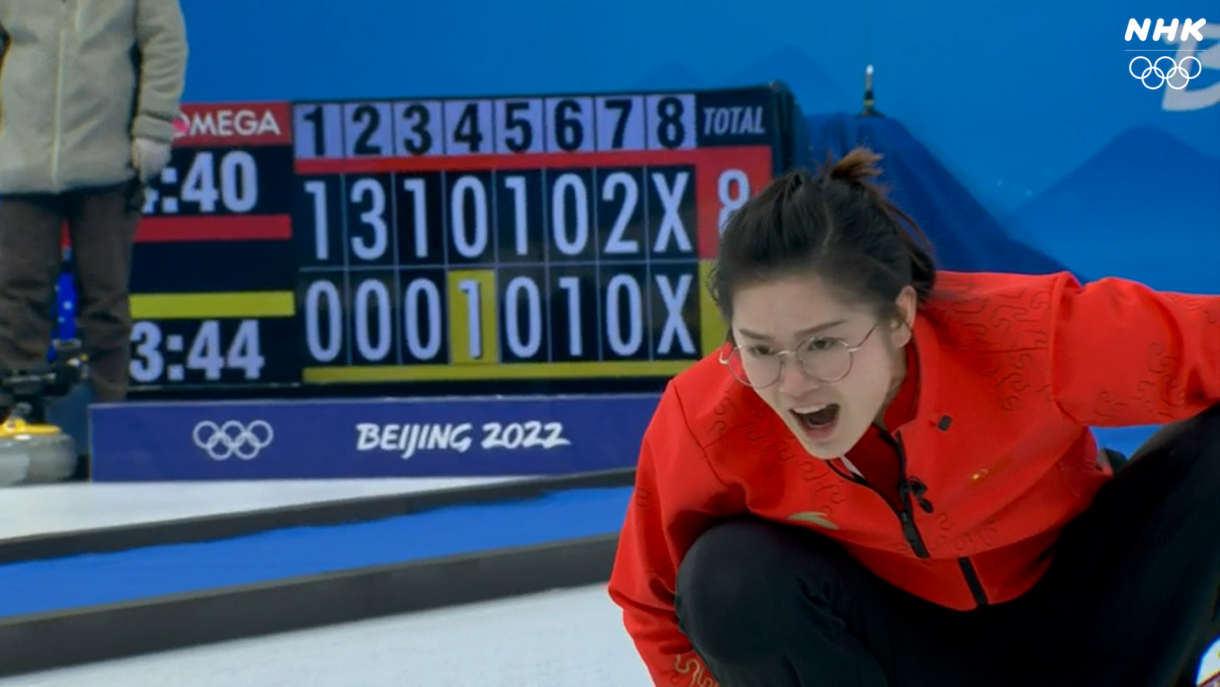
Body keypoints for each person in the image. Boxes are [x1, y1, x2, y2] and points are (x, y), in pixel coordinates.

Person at [607, 146, 1220, 687]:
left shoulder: (1031, 335)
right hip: (897, 656)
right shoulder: (707, 415)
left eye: (824, 343)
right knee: (726, 578)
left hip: (1094, 625)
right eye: (760, 348)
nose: (792, 383)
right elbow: (651, 599)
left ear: (899, 316)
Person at [0, 1, 188, 409]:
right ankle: (18, 412)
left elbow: (165, 43)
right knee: (18, 293)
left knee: (105, 297)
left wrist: (154, 124)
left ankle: (110, 410)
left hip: (109, 158)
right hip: (19, 160)